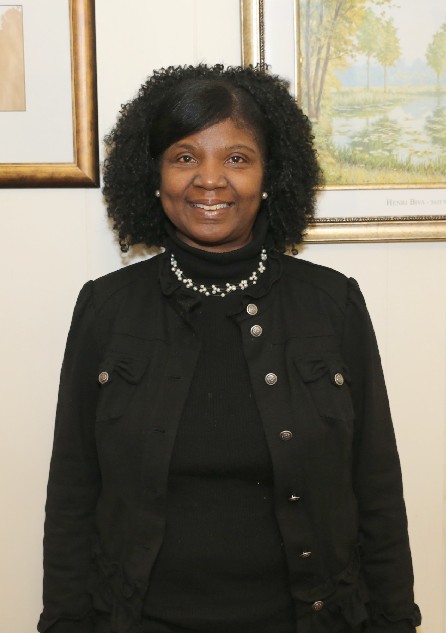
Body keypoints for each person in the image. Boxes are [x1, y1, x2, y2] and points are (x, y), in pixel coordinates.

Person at [38, 64, 421, 633]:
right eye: (185, 157)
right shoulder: (106, 309)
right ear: (154, 175)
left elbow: (376, 484)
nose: (210, 180)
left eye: (237, 158)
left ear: (270, 176)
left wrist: (395, 619)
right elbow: (73, 491)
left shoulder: (332, 304)